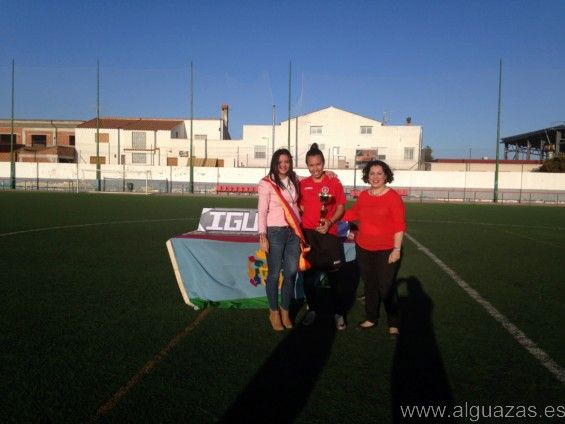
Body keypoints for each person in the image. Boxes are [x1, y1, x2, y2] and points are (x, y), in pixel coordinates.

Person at [342, 159, 405, 335]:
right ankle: (371, 318)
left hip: (387, 250)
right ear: (367, 176)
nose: (375, 177)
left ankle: (393, 322)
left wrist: (397, 249)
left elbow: (399, 226)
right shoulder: (363, 196)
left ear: (386, 176)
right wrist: (334, 214)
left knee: (386, 286)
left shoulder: (393, 197)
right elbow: (353, 213)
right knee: (369, 285)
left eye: (379, 173)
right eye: (372, 173)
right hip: (364, 248)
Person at [299, 143, 348, 330]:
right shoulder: (302, 184)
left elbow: (341, 208)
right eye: (311, 165)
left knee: (334, 278)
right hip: (309, 236)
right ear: (307, 166)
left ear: (323, 163)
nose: (315, 168)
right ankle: (312, 310)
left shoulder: (334, 182)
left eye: (318, 164)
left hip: (330, 235)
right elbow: (298, 206)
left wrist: (329, 222)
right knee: (309, 277)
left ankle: (338, 313)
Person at [257, 148, 302, 331]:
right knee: (274, 274)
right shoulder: (266, 183)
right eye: (280, 162)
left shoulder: (294, 180)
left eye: (287, 162)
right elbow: (262, 211)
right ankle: (274, 312)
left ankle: (285, 310)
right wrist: (262, 235)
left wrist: (328, 173)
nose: (283, 165)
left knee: (291, 273)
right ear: (275, 163)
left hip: (294, 233)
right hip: (275, 232)